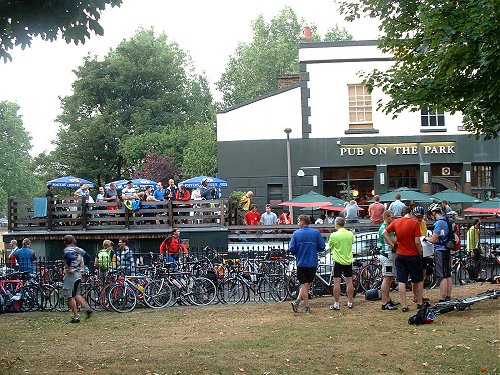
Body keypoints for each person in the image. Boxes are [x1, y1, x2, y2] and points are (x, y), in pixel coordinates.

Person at [382, 206, 423, 313]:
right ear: (411, 213)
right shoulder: (415, 223)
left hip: (400, 254)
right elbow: (417, 242)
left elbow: (384, 233)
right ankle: (419, 302)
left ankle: (404, 305)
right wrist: (420, 252)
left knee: (402, 280)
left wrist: (392, 245)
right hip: (413, 254)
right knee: (417, 280)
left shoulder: (396, 222)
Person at [289, 214, 325, 314]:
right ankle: (297, 302)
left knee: (304, 284)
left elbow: (291, 249)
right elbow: (322, 246)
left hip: (301, 262)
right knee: (307, 283)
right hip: (312, 262)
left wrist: (298, 251)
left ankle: (306, 306)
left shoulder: (296, 234)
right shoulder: (315, 232)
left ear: (301, 222)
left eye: (298, 222)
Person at [424, 203, 452, 301]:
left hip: (440, 250)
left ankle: (443, 297)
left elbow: (434, 239)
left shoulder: (439, 223)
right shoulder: (446, 220)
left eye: (431, 215)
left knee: (442, 276)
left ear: (434, 212)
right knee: (448, 274)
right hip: (447, 249)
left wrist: (425, 237)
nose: (431, 217)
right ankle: (448, 295)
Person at [62, 234, 93, 323]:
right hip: (78, 274)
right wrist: (83, 267)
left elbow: (69, 257)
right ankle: (87, 308)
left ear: (65, 242)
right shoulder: (78, 249)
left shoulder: (67, 249)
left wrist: (69, 266)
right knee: (76, 293)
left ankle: (76, 317)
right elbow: (87, 256)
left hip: (71, 274)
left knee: (70, 295)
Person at [328, 217, 355, 310]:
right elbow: (352, 241)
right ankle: (350, 302)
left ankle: (336, 303)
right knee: (349, 281)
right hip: (348, 260)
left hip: (338, 260)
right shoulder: (350, 234)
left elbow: (330, 245)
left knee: (336, 282)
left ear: (337, 224)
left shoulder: (334, 235)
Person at [378, 210, 398, 310]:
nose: (394, 219)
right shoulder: (385, 228)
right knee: (387, 278)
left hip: (390, 255)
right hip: (387, 255)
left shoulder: (388, 227)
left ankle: (388, 299)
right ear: (386, 217)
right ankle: (384, 302)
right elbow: (394, 240)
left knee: (390, 279)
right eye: (392, 217)